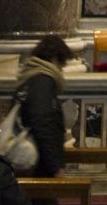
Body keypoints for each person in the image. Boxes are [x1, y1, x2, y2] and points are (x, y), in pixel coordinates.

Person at [13, 35, 73, 184]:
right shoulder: (42, 81)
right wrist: (55, 166)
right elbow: (42, 123)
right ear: (53, 59)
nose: (61, 69)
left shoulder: (30, 76)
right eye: (61, 64)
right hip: (38, 163)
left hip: (33, 159)